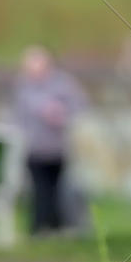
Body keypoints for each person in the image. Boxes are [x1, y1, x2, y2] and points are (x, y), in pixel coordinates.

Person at [13, 46, 86, 235]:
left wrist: (61, 113)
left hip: (58, 149)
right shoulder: (24, 87)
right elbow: (20, 115)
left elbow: (78, 107)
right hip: (34, 150)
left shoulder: (63, 84)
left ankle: (58, 225)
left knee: (59, 190)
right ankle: (39, 227)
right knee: (39, 190)